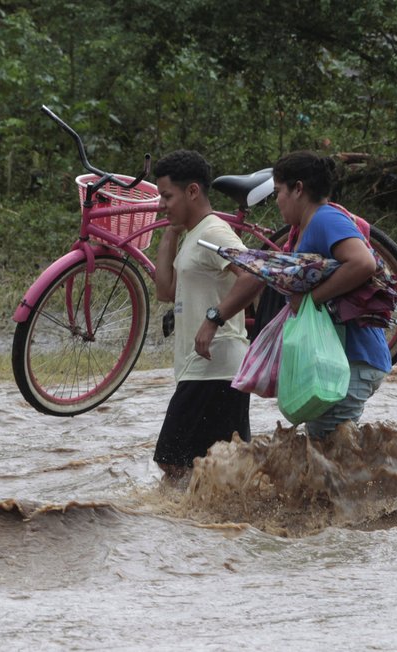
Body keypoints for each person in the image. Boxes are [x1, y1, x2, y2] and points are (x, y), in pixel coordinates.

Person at [152, 150, 264, 479]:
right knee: (218, 467)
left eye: (167, 196)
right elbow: (165, 291)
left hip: (215, 367)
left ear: (193, 192)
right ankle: (212, 528)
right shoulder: (193, 235)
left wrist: (214, 319)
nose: (161, 204)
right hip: (202, 368)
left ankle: (189, 527)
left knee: (174, 461)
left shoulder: (213, 233)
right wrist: (171, 232)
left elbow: (254, 274)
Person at [271, 150, 392, 438]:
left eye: (279, 191)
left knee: (329, 463)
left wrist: (312, 299)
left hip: (351, 360)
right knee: (334, 459)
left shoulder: (325, 220)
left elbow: (363, 262)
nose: (276, 200)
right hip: (345, 360)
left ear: (298, 189)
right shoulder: (310, 225)